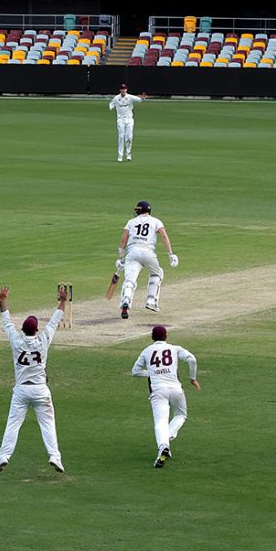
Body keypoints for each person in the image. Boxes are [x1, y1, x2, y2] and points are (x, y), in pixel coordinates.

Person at [0, 285, 67, 474]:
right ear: (36, 330)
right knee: (48, 424)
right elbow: (54, 321)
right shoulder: (43, 341)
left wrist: (2, 300)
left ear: (23, 330)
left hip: (21, 390)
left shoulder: (16, 341)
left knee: (13, 425)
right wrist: (63, 301)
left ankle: (3, 457)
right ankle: (55, 457)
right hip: (41, 389)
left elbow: (6, 322)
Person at [130, 325, 200, 468]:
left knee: (160, 421)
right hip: (176, 389)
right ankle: (165, 441)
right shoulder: (174, 349)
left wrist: (151, 373)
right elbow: (192, 359)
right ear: (166, 336)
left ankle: (163, 444)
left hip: (158, 391)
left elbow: (135, 372)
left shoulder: (147, 351)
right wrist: (192, 378)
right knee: (181, 415)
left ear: (152, 337)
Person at [116, 200, 178, 319]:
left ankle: (126, 302)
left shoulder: (131, 222)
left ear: (139, 210)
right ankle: (151, 301)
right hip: (148, 253)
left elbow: (123, 240)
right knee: (157, 273)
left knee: (130, 280)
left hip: (132, 253)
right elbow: (164, 236)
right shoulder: (156, 221)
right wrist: (171, 254)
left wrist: (120, 258)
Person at [108, 82, 145, 162]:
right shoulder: (116, 98)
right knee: (121, 137)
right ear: (120, 90)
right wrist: (113, 109)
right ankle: (120, 156)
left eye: (124, 89)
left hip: (129, 119)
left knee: (129, 137)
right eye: (122, 89)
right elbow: (111, 105)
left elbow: (139, 100)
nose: (123, 90)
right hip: (120, 120)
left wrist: (142, 98)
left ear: (126, 89)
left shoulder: (130, 97)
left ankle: (128, 155)